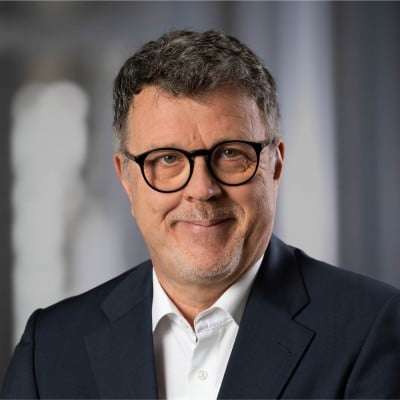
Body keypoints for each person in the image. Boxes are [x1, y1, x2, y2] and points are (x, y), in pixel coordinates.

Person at [1, 29, 399, 400]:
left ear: (275, 165)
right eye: (168, 159)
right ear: (126, 178)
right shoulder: (50, 349)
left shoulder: (372, 329)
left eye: (230, 153)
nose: (202, 189)